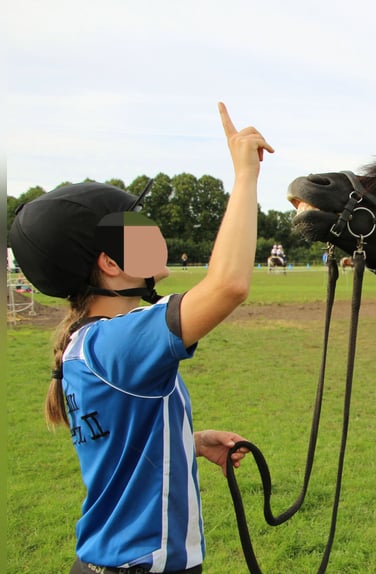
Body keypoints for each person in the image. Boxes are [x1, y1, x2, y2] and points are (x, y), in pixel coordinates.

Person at [9, 102, 274, 574]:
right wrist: (244, 176)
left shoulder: (85, 346)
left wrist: (190, 440)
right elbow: (228, 285)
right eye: (136, 230)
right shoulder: (116, 343)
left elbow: (121, 438)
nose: (152, 232)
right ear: (110, 263)